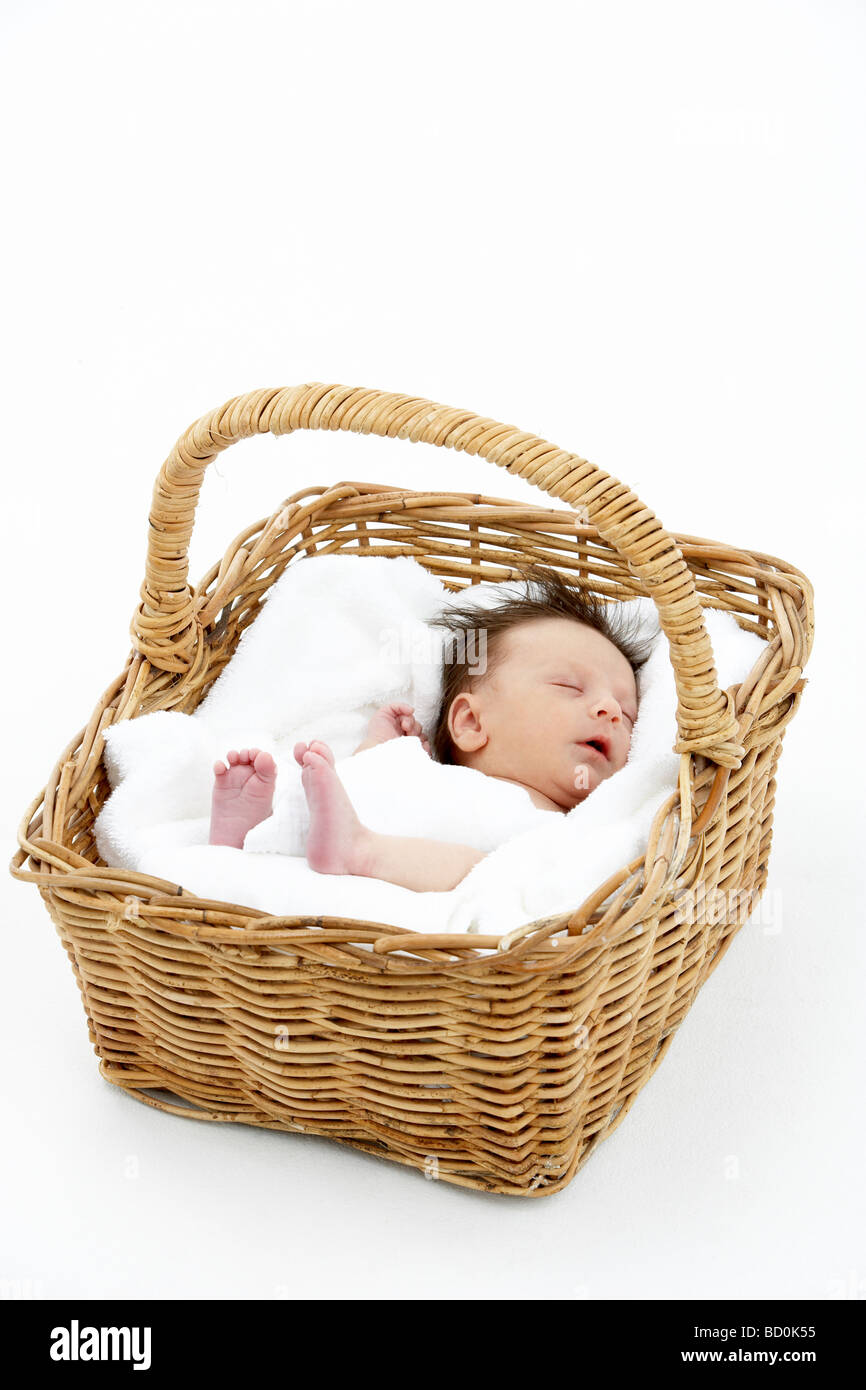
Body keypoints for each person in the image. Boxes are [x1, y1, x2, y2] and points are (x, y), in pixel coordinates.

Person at [208, 568, 650, 891]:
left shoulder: (561, 831)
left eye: (628, 715)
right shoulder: (424, 773)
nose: (610, 710)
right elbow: (371, 783)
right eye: (570, 687)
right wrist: (380, 747)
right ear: (472, 722)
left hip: (401, 872)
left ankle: (354, 851)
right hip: (345, 829)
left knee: (493, 875)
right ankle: (253, 835)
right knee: (342, 784)